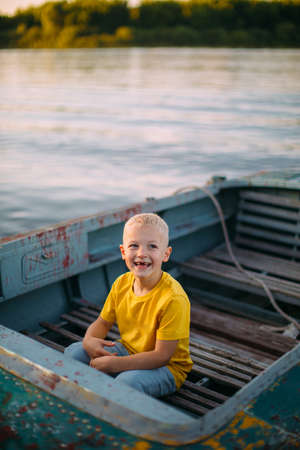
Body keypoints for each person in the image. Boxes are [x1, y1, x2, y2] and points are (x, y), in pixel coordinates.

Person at [65, 213, 193, 397]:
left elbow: (161, 356)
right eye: (134, 245)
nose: (142, 253)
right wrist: (89, 341)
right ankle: (81, 398)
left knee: (126, 383)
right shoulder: (121, 283)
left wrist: (115, 365)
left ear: (166, 254)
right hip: (128, 350)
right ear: (123, 251)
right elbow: (102, 323)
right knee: (74, 353)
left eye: (152, 246)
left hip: (167, 368)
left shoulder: (173, 299)